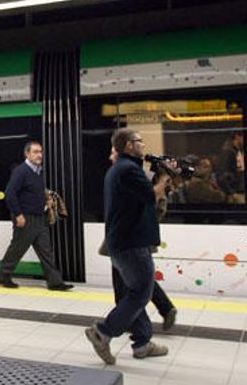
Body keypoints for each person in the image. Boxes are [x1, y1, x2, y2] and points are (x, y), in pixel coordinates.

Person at [85, 128, 168, 365]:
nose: (143, 144)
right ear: (129, 145)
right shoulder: (127, 169)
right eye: (140, 141)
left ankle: (142, 343)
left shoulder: (123, 169)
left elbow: (141, 196)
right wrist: (164, 178)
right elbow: (151, 196)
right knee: (141, 292)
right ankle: (102, 332)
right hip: (131, 243)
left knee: (135, 293)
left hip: (125, 242)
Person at [104, 147, 177, 332]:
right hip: (130, 240)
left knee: (128, 288)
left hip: (128, 240)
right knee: (139, 281)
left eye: (114, 152)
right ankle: (162, 310)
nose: (111, 156)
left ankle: (133, 329)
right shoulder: (132, 175)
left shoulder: (132, 176)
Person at [0, 141, 72, 291]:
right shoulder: (21, 171)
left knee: (46, 251)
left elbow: (31, 193)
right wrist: (18, 215)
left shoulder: (38, 171)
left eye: (40, 152)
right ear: (27, 154)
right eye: (36, 152)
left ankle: (55, 282)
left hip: (40, 217)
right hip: (26, 218)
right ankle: (4, 276)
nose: (39, 155)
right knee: (18, 248)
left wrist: (46, 203)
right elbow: (10, 194)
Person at [215, 131, 245, 195]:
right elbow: (221, 175)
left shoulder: (239, 151)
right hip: (234, 192)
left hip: (240, 190)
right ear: (237, 136)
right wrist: (232, 192)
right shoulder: (228, 152)